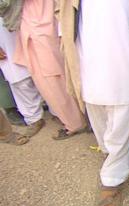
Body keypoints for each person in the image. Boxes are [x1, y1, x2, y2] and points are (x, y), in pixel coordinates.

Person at [68, 0, 129, 206]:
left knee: (127, 98)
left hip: (127, 32)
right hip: (88, 31)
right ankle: (113, 153)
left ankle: (112, 178)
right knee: (94, 99)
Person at [13, 0, 85, 140]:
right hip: (42, 29)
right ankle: (73, 118)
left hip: (40, 30)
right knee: (56, 78)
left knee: (53, 81)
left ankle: (74, 123)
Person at [0, 18, 44, 137]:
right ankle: (34, 119)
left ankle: (58, 112)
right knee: (20, 80)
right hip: (4, 39)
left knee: (46, 74)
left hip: (28, 25)